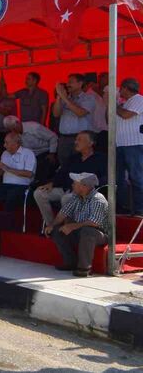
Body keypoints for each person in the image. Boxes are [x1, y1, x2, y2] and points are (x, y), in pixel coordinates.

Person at [34, 130, 106, 227]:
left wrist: (87, 187)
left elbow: (104, 179)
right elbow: (61, 173)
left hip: (84, 193)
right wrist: (52, 183)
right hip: (66, 189)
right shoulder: (73, 158)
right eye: (76, 139)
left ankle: (68, 228)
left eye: (79, 140)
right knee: (39, 193)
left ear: (91, 143)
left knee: (67, 198)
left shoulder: (100, 159)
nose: (76, 142)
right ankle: (51, 226)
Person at [45, 172, 109, 277]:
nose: (72, 185)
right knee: (57, 230)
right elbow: (63, 213)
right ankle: (70, 262)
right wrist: (52, 225)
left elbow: (94, 222)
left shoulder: (98, 199)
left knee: (88, 231)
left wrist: (72, 226)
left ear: (84, 186)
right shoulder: (76, 197)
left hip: (100, 234)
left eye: (75, 183)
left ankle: (84, 268)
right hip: (81, 230)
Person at [0, 132, 36, 212]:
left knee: (12, 194)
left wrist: (7, 168)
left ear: (16, 144)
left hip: (22, 187)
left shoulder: (28, 153)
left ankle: (7, 221)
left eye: (7, 143)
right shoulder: (5, 154)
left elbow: (29, 174)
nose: (4, 145)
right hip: (5, 186)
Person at [52, 73, 97, 165]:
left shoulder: (88, 98)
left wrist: (64, 98)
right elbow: (56, 114)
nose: (68, 84)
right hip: (64, 139)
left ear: (80, 84)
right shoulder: (66, 99)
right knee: (64, 166)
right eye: (68, 82)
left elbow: (80, 113)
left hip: (81, 138)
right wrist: (59, 97)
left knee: (81, 164)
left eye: (71, 82)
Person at [115, 77, 143, 215]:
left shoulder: (139, 99)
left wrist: (114, 105)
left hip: (134, 144)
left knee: (137, 177)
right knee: (118, 178)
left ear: (126, 88)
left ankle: (140, 209)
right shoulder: (124, 103)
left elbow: (126, 115)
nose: (119, 91)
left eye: (121, 88)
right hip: (121, 144)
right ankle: (124, 206)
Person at [1, 115, 58, 182]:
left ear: (18, 123)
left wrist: (52, 153)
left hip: (45, 152)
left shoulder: (34, 127)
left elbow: (53, 137)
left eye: (13, 128)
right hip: (30, 155)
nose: (13, 131)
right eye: (10, 129)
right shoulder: (16, 134)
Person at [0, 77, 18, 159]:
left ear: (2, 88)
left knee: (7, 156)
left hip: (8, 132)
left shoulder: (10, 100)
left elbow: (7, 112)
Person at [83, 73, 108, 153]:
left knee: (105, 152)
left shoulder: (113, 90)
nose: (101, 80)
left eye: (104, 78)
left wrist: (97, 90)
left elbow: (109, 99)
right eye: (100, 78)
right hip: (93, 128)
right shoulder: (89, 92)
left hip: (107, 128)